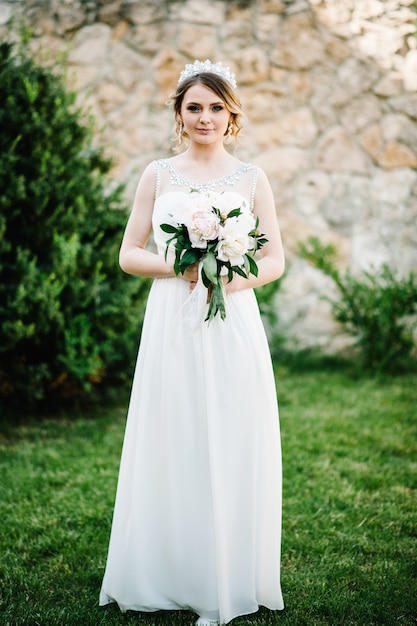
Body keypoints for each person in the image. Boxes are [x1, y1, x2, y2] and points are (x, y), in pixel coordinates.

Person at [99, 59, 285, 626]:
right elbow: (129, 253)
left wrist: (226, 275)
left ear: (232, 116)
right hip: (171, 323)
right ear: (179, 115)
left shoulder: (252, 178)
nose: (205, 117)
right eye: (194, 107)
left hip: (232, 325)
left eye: (215, 107)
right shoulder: (158, 175)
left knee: (230, 436)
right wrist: (178, 267)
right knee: (173, 433)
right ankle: (166, 569)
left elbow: (275, 259)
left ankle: (226, 574)